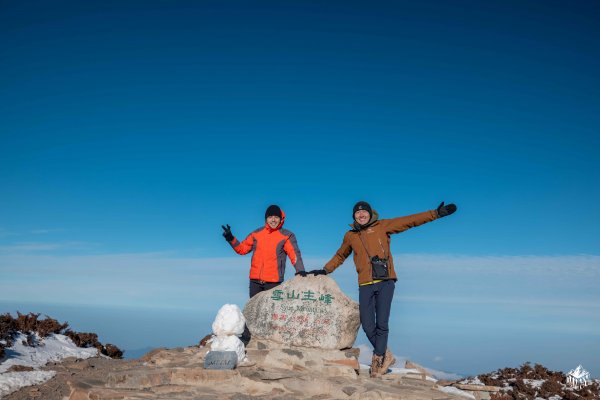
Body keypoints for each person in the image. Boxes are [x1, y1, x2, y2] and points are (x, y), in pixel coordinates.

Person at [309, 200, 457, 378]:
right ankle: (386, 354)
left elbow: (409, 220)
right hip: (365, 284)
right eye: (357, 213)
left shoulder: (382, 226)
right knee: (367, 324)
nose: (361, 215)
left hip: (386, 281)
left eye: (364, 212)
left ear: (370, 214)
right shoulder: (350, 235)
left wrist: (435, 213)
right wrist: (325, 270)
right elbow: (340, 255)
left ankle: (378, 359)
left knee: (382, 324)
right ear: (354, 216)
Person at [222, 204, 307, 299]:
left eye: (276, 217)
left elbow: (294, 254)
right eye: (270, 217)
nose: (273, 220)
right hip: (255, 283)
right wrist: (230, 238)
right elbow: (242, 249)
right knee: (253, 312)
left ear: (281, 218)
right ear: (266, 219)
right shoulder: (256, 234)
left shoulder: (286, 236)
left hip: (273, 284)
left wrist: (300, 271)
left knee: (271, 313)